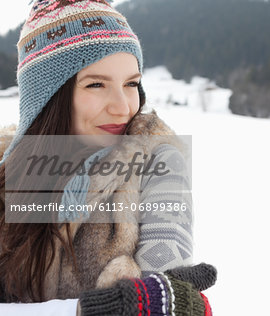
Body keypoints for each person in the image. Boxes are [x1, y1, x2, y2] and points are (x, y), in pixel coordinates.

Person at [0, 0, 215, 314]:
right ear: (46, 97)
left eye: (131, 84)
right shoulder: (9, 174)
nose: (123, 107)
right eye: (96, 84)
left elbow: (174, 296)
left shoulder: (157, 162)